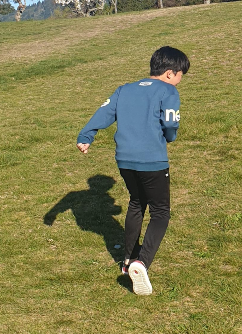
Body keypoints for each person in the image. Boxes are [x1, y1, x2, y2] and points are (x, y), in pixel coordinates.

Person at [77, 45, 190, 295]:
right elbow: (170, 123)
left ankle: (127, 261)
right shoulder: (168, 91)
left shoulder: (124, 90)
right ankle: (142, 262)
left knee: (137, 202)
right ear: (171, 73)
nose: (181, 80)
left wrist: (87, 135)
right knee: (161, 212)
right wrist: (170, 136)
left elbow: (104, 112)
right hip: (153, 160)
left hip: (125, 160)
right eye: (182, 74)